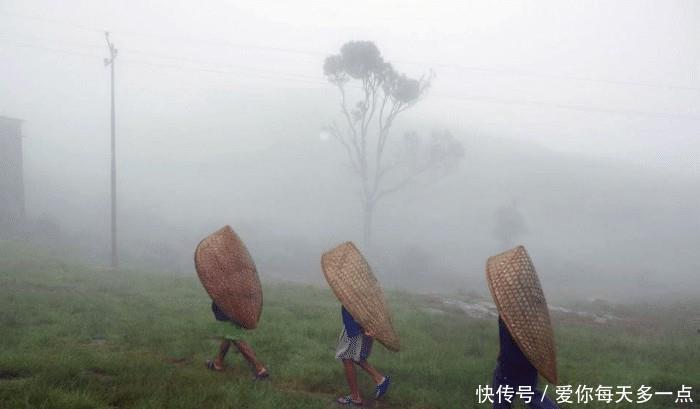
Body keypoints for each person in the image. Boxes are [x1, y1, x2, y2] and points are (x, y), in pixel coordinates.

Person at [492, 316, 558, 409]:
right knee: (531, 394)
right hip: (531, 362)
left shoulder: (508, 312)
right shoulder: (534, 317)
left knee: (501, 400)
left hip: (509, 365)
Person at [335, 305, 391, 406]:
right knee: (356, 356)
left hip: (356, 326)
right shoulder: (368, 296)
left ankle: (355, 397)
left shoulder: (351, 294)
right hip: (363, 326)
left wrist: (363, 326)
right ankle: (380, 379)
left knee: (347, 357)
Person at [206, 301, 269, 380]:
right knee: (228, 335)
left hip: (230, 308)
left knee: (236, 339)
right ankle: (218, 363)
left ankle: (260, 370)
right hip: (231, 307)